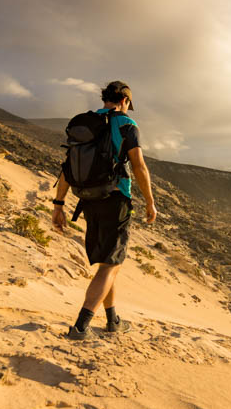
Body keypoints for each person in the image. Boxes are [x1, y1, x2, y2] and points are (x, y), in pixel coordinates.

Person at [51, 80, 157, 339]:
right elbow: (139, 166)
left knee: (109, 262)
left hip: (88, 200)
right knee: (111, 264)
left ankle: (112, 320)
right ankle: (80, 327)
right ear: (125, 101)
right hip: (115, 198)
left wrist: (59, 204)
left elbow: (67, 167)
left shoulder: (85, 123)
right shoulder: (126, 124)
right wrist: (150, 201)